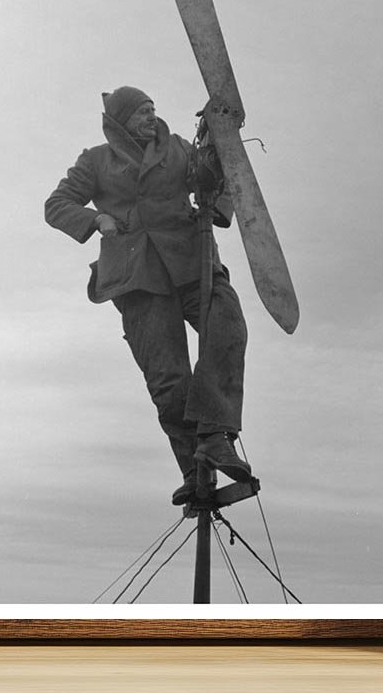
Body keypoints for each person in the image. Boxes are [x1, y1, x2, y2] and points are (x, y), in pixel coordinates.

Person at [44, 85, 252, 506]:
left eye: (152, 108)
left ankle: (214, 435)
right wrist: (95, 219)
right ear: (121, 120)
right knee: (168, 379)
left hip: (191, 261)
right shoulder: (97, 160)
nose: (149, 115)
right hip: (136, 274)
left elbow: (219, 173)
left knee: (229, 327)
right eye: (140, 111)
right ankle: (196, 472)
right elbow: (57, 204)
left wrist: (216, 150)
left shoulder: (177, 148)